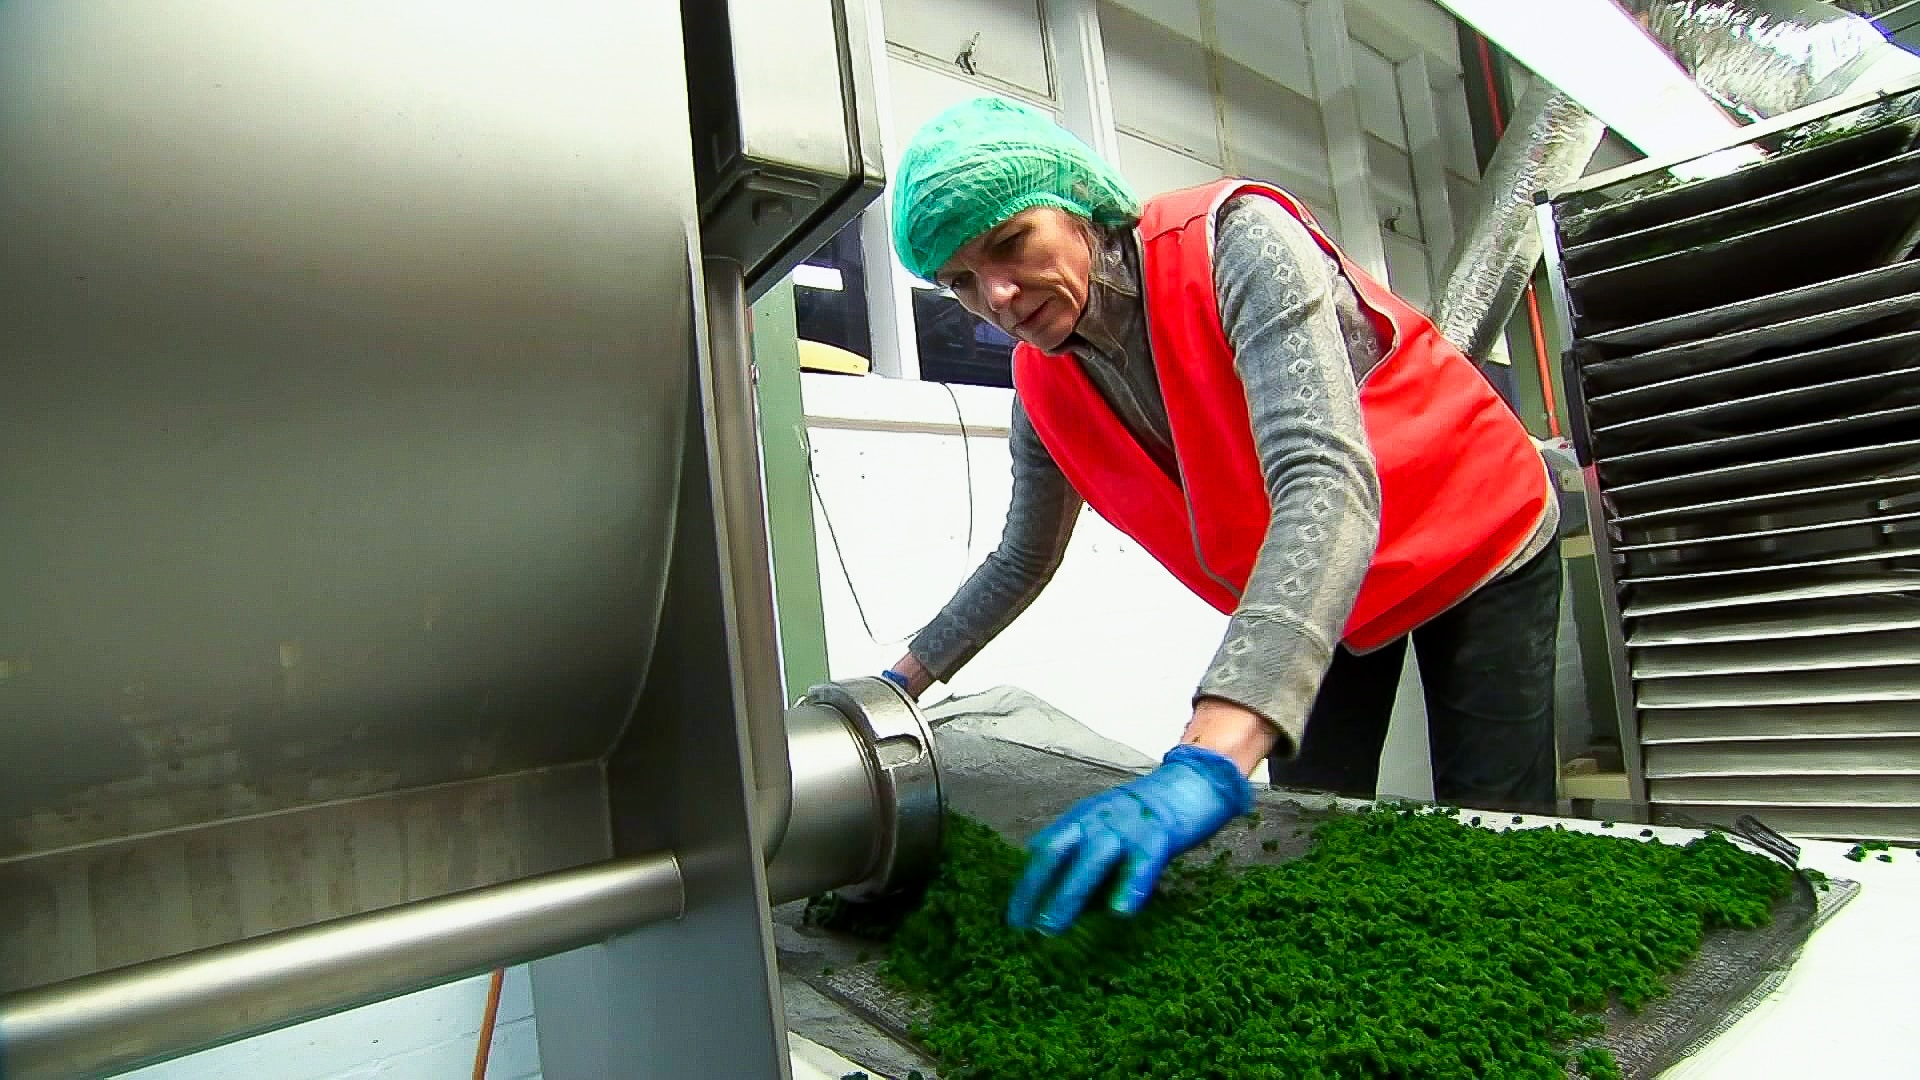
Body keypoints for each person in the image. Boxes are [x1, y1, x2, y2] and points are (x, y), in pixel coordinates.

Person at [878, 97, 1562, 937]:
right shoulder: (1044, 385)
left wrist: (1207, 754)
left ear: (1077, 199)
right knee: (1314, 825)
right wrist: (896, 684)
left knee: (1496, 831)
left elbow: (1321, 480)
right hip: (1329, 591)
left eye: (1010, 244)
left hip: (1473, 532)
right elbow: (1023, 557)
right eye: (958, 282)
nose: (998, 294)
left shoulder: (1235, 243)